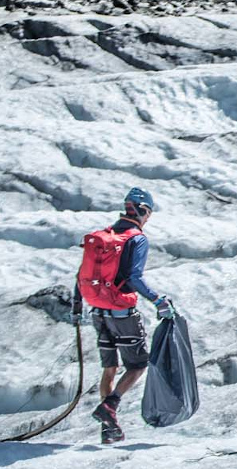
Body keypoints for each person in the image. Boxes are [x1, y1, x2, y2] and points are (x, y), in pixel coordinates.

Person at [73, 186, 177, 444]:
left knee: (110, 367)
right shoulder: (136, 239)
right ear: (144, 212)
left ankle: (109, 429)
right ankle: (111, 406)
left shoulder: (103, 237)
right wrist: (157, 300)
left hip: (98, 311)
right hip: (121, 312)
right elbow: (133, 277)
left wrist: (77, 307)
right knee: (138, 364)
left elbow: (81, 274)